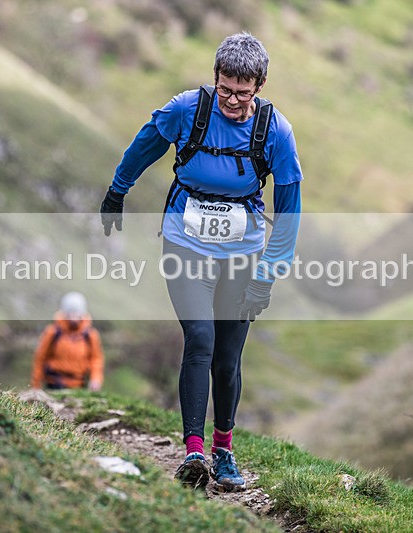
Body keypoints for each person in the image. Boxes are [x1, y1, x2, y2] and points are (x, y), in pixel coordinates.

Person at [100, 32, 302, 491]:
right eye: (225, 89)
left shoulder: (276, 132)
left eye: (243, 93)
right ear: (215, 78)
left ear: (261, 85)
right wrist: (117, 190)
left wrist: (266, 278)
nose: (232, 100)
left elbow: (289, 209)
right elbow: (146, 142)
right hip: (185, 241)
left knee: (228, 357)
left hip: (242, 251)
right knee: (200, 336)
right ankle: (193, 452)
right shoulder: (187, 109)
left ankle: (224, 450)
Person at [30, 291, 104, 392]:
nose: (73, 317)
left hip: (78, 385)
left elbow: (96, 359)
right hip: (54, 384)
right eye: (70, 313)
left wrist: (96, 379)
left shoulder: (90, 335)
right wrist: (36, 384)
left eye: (77, 313)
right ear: (64, 313)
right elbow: (40, 357)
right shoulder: (52, 332)